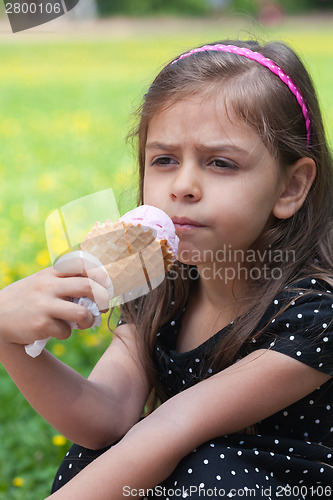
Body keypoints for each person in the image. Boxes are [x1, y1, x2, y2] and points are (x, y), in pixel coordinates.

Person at [0, 38, 333, 499]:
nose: (183, 186)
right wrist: (10, 340)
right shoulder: (161, 287)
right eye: (164, 160)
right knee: (96, 456)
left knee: (205, 465)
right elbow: (105, 418)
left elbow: (170, 429)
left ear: (290, 187)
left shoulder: (313, 315)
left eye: (220, 163)